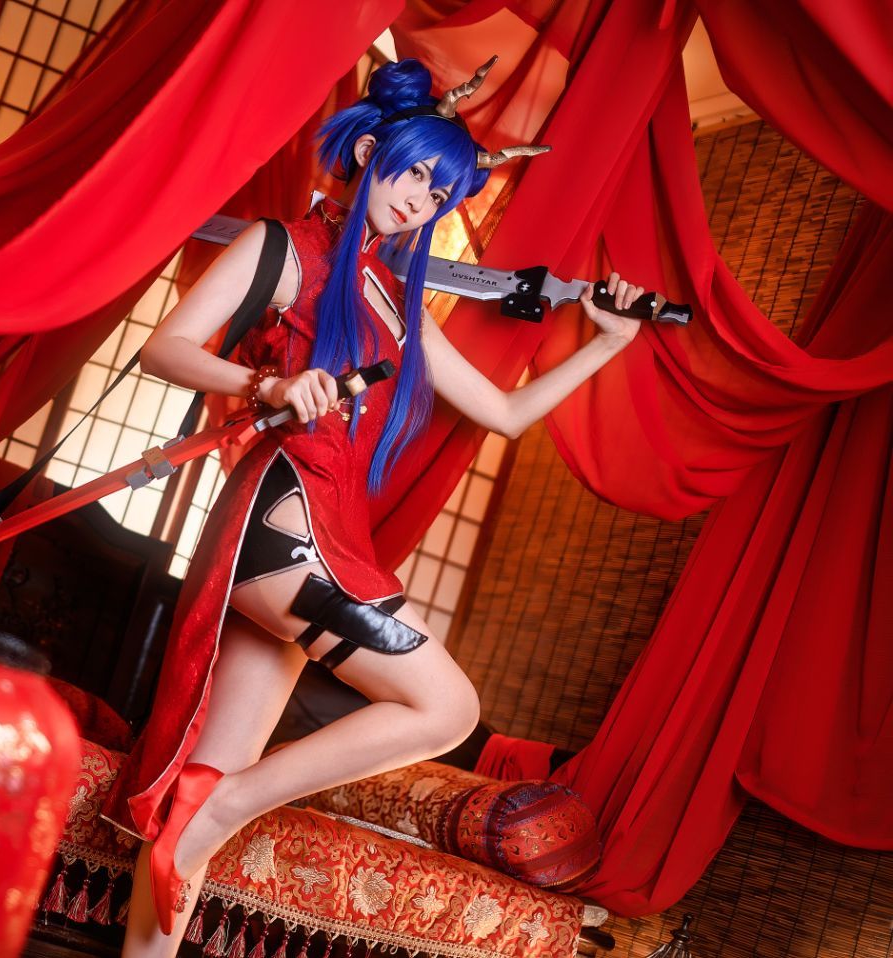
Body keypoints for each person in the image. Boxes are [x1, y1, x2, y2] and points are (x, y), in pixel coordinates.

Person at [105, 57, 645, 955]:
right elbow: (164, 349)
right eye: (415, 173)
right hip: (285, 527)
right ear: (368, 153)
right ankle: (225, 808)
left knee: (196, 808)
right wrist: (270, 384)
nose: (421, 200)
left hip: (331, 532)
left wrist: (608, 343)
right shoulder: (281, 248)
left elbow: (506, 414)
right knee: (448, 708)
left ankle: (198, 836)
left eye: (440, 193)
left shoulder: (399, 300)